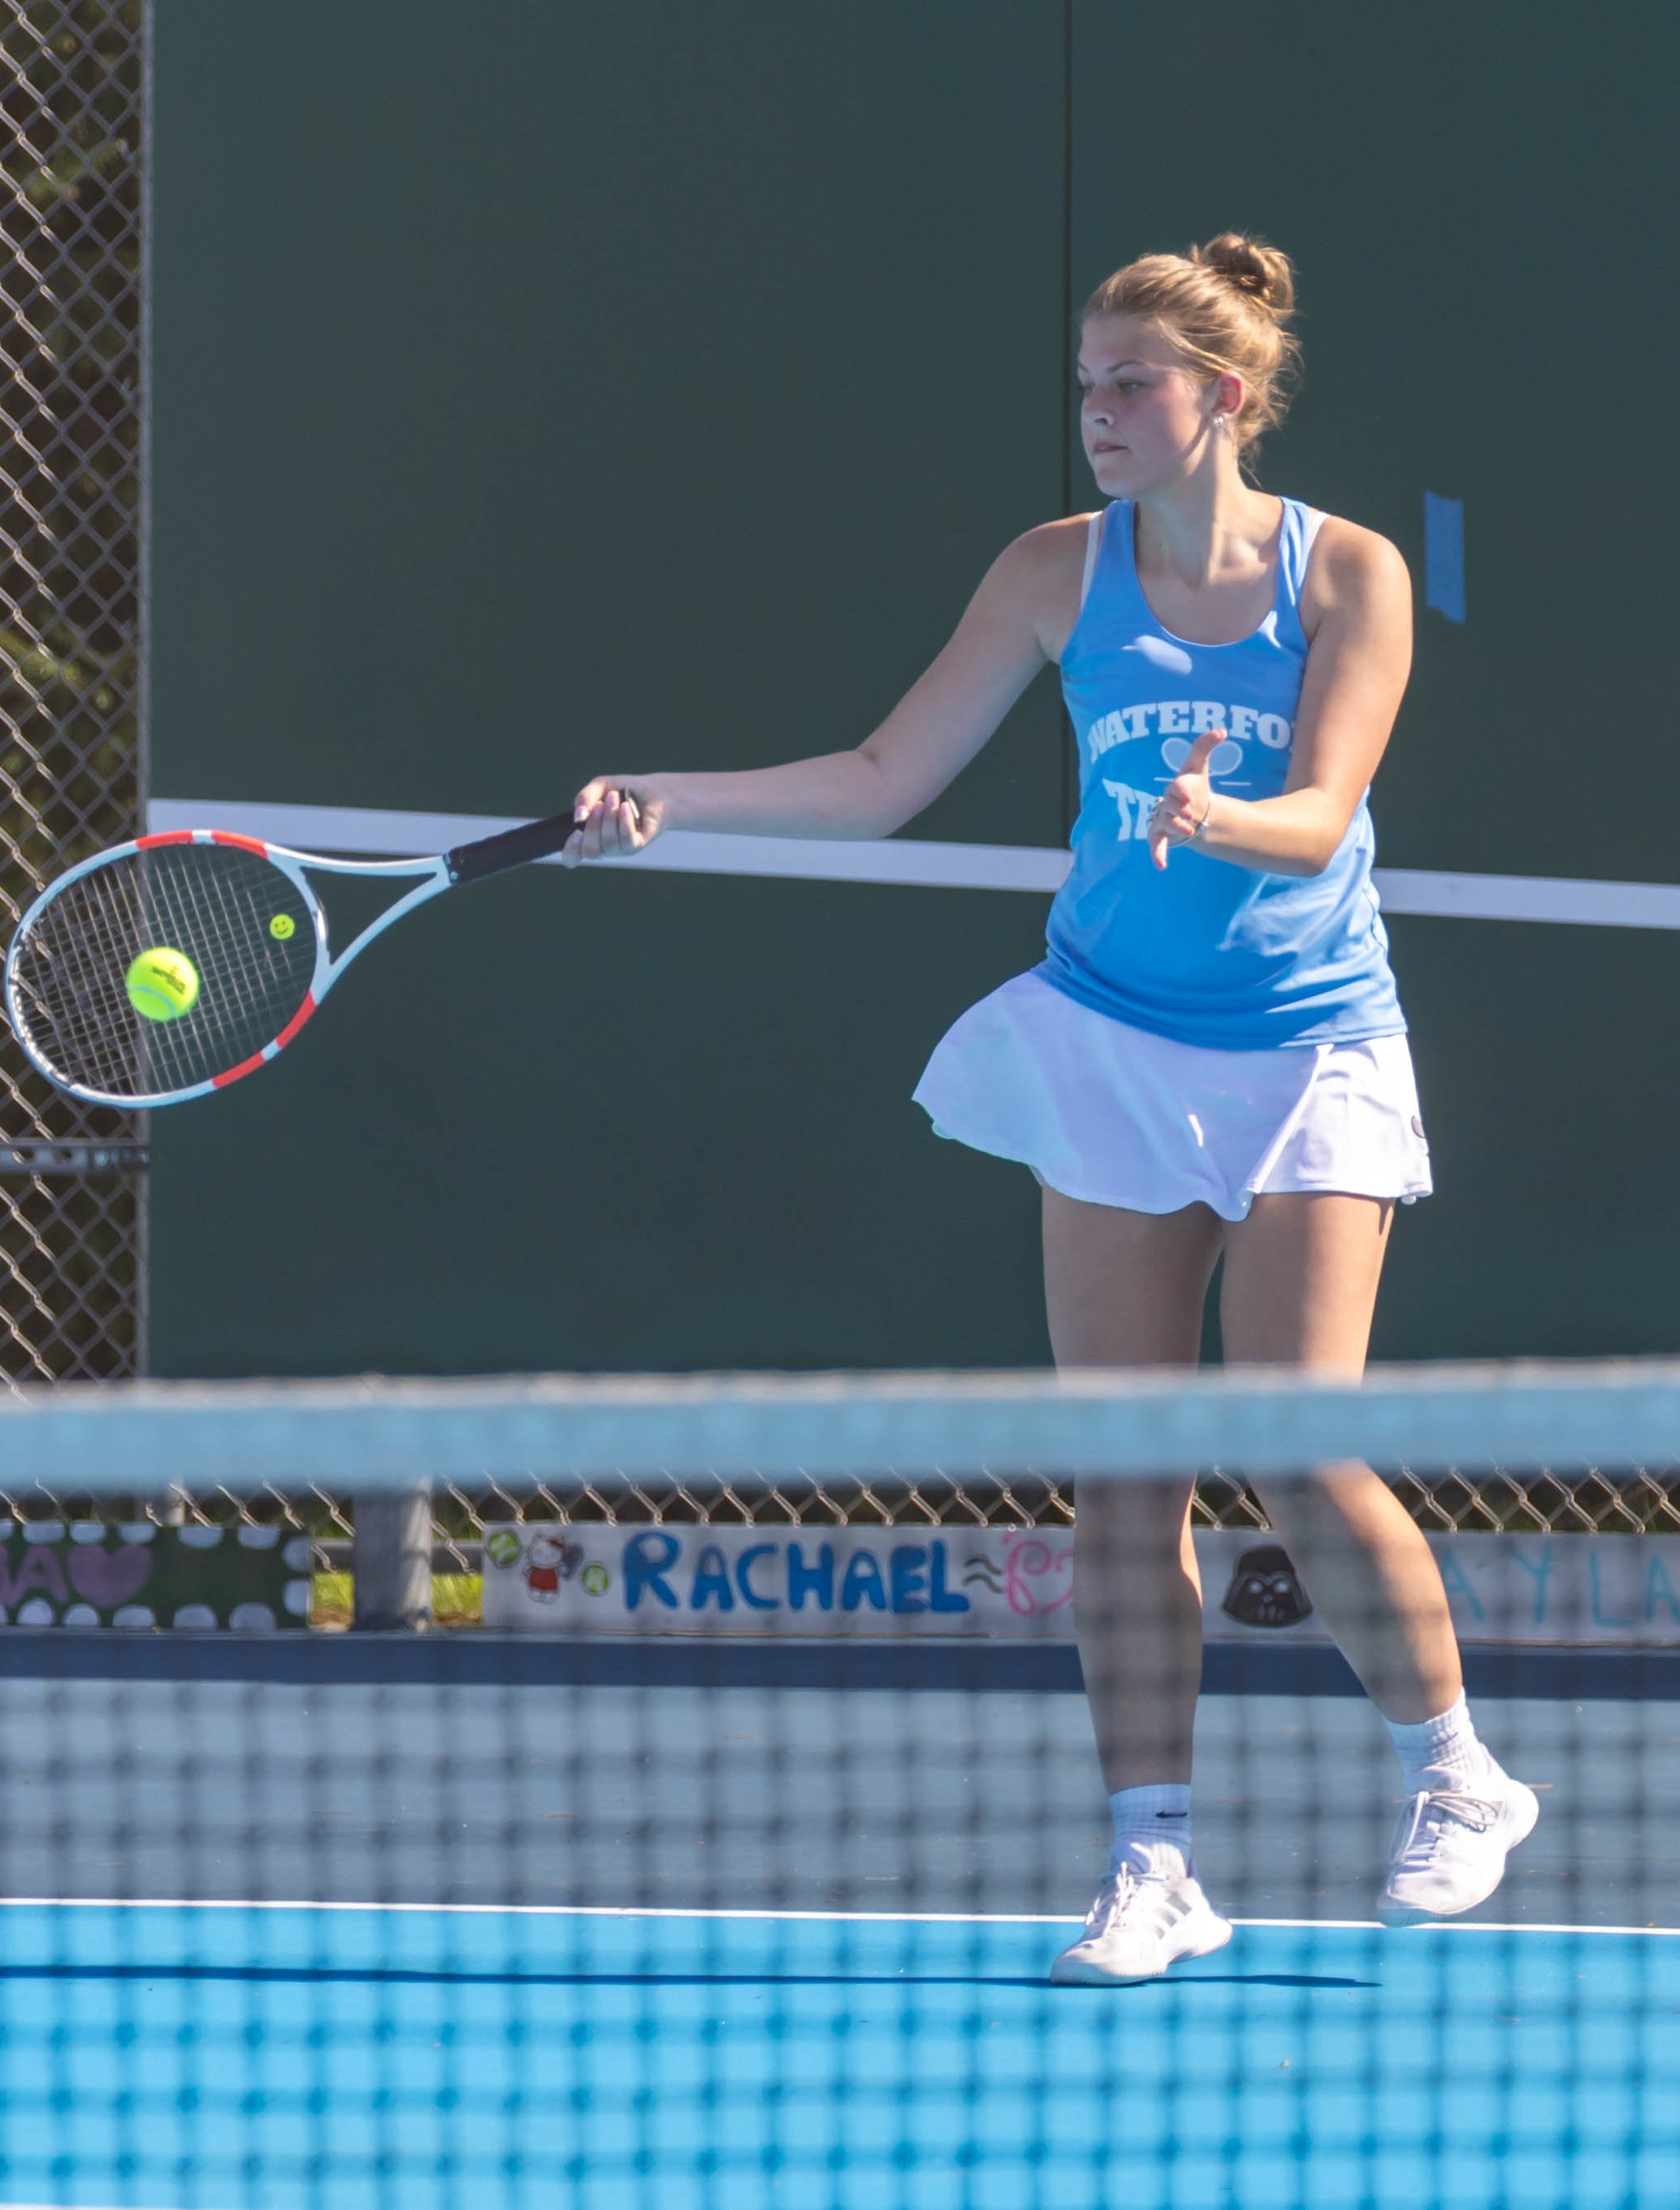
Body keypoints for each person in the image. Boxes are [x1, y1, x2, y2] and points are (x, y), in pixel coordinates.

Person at [560, 232, 1537, 1985]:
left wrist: (1210, 817)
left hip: (1310, 1036)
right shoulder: (1050, 571)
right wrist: (668, 796)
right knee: (1121, 1475)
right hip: (1107, 1036)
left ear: (1225, 398)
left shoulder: (1350, 575)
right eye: (1085, 386)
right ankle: (1154, 1857)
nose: (1097, 413)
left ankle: (1459, 1775)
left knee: (1294, 1439)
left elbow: (1319, 815)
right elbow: (879, 782)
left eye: (1131, 384)